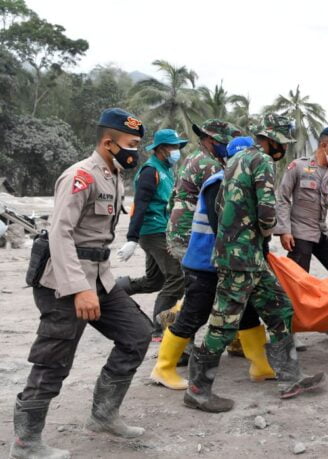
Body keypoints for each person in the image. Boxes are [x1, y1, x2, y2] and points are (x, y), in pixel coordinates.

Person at [10, 108, 153, 459]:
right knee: (54, 359)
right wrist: (79, 289)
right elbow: (60, 234)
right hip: (65, 280)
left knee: (136, 334)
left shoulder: (114, 175)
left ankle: (103, 416)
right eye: (132, 144)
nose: (136, 151)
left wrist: (94, 286)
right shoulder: (81, 176)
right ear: (109, 142)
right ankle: (26, 443)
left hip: (100, 277)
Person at [184, 114, 324, 413]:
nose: (282, 149)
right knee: (223, 323)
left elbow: (221, 205)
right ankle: (198, 389)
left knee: (279, 308)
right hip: (241, 258)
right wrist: (265, 230)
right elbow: (266, 210)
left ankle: (290, 377)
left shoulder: (235, 159)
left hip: (247, 256)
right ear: (272, 140)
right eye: (282, 143)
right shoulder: (262, 161)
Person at [150, 136, 276, 390]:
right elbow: (223, 227)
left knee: (248, 311)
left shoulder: (234, 181)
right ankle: (163, 369)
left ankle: (261, 366)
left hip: (224, 261)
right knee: (193, 314)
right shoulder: (218, 182)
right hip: (204, 263)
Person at [275, 126, 328, 340]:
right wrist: (284, 230)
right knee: (297, 285)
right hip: (299, 233)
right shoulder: (298, 167)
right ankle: (290, 333)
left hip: (321, 232)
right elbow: (282, 198)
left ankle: (327, 319)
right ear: (323, 145)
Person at [114, 129, 187, 339]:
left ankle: (116, 290)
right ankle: (161, 326)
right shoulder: (150, 171)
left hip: (162, 228)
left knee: (155, 280)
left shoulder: (167, 170)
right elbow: (141, 205)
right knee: (176, 276)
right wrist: (132, 239)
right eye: (173, 147)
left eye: (177, 147)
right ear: (161, 149)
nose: (176, 151)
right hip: (153, 231)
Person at [165, 119, 241, 259]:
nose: (227, 146)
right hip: (190, 235)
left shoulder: (192, 157)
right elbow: (219, 209)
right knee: (198, 278)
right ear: (212, 140)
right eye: (224, 142)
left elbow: (174, 195)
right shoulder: (210, 165)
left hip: (178, 229)